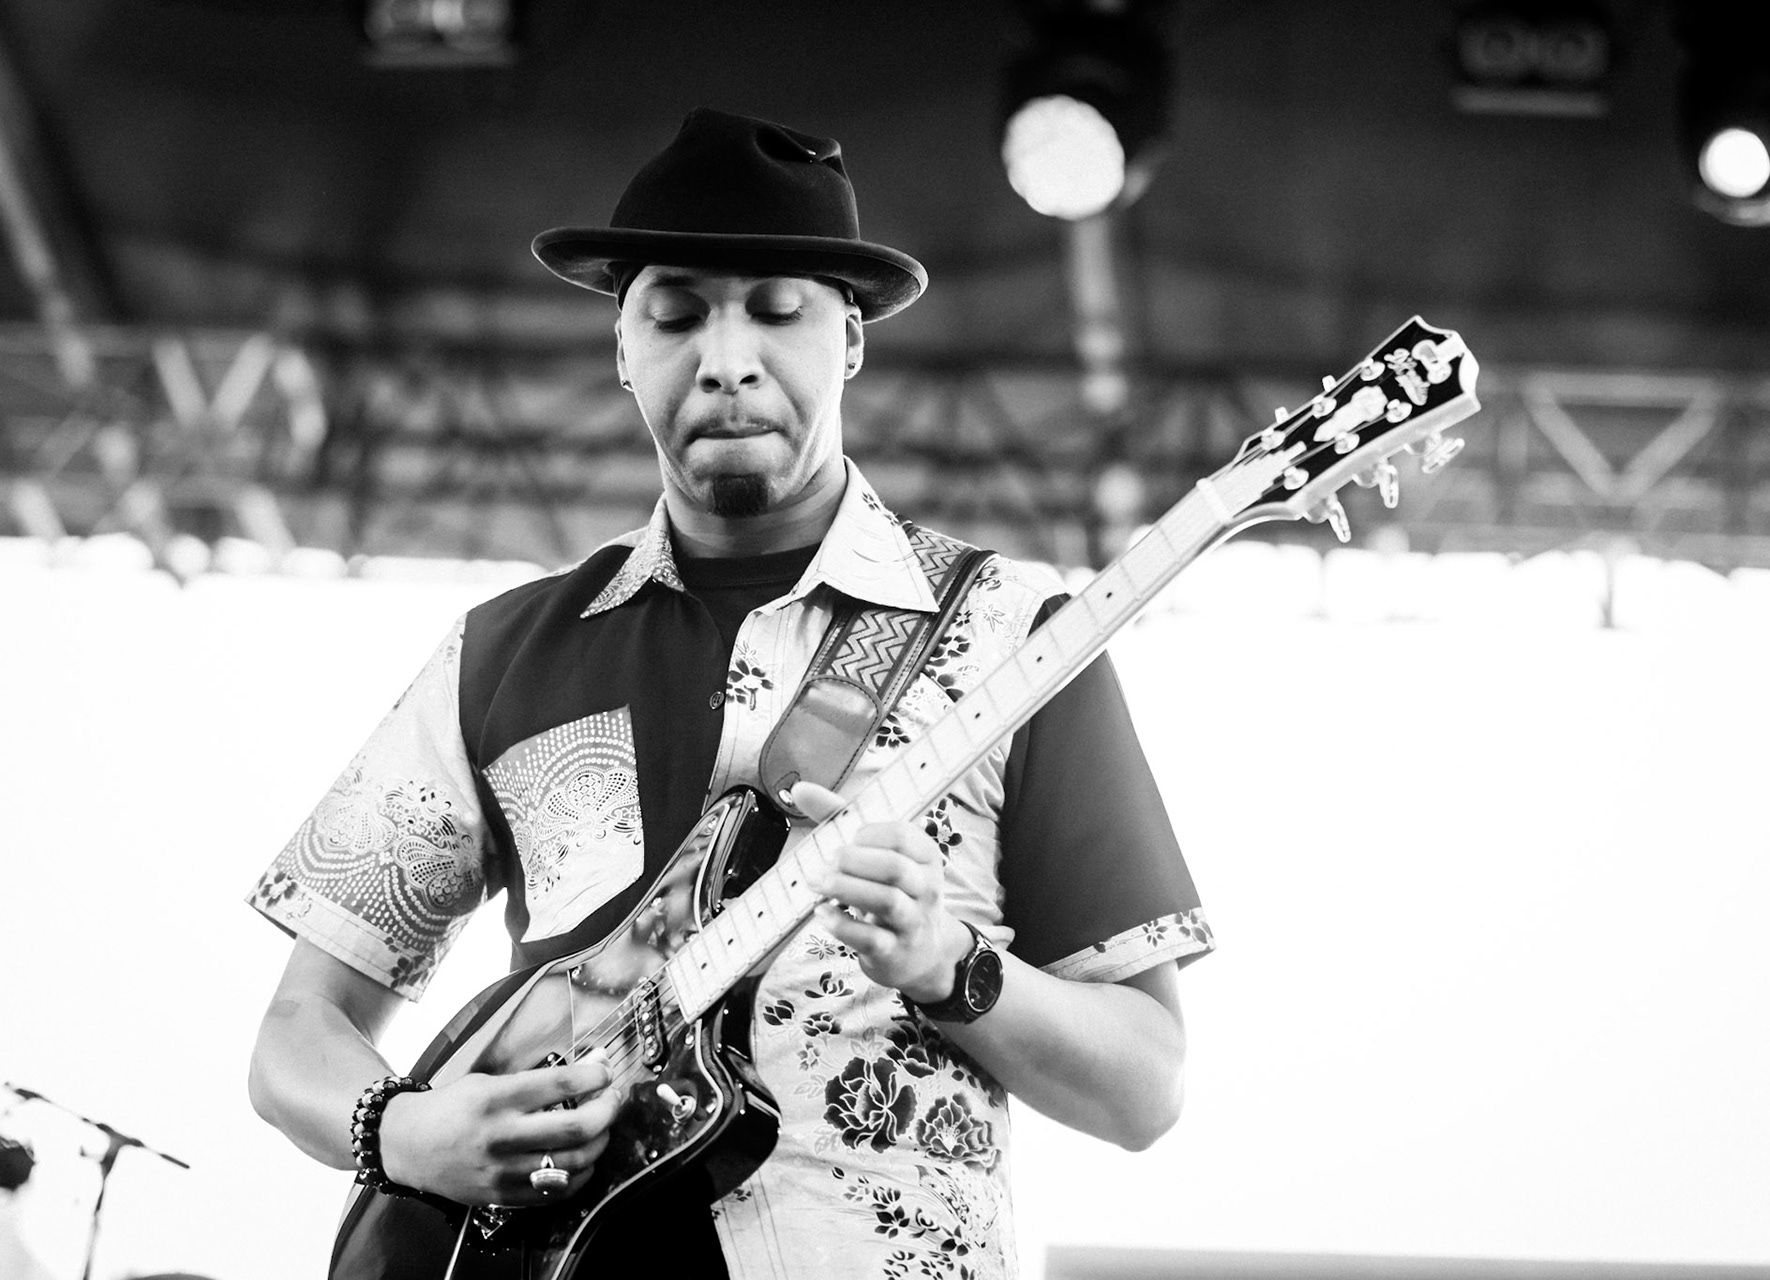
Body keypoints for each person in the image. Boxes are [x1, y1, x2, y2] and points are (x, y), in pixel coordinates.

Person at [246, 107, 1213, 1279]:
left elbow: (1145, 1082)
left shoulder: (1020, 642)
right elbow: (299, 1033)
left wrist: (950, 960)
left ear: (850, 338)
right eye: (675, 312)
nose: (726, 356)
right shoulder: (502, 649)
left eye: (776, 308)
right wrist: (403, 1130)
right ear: (621, 345)